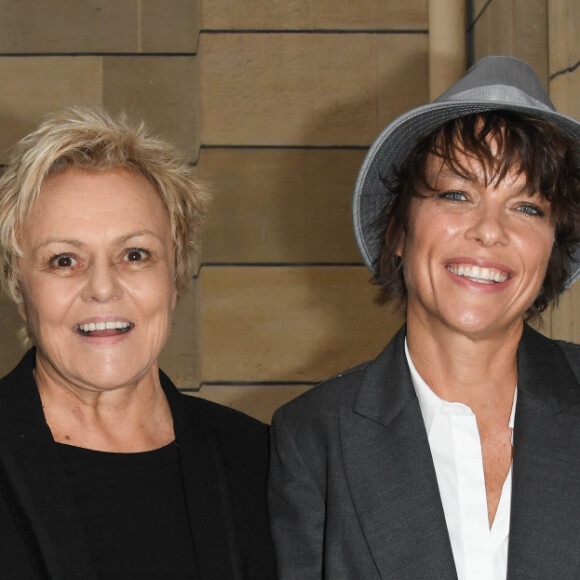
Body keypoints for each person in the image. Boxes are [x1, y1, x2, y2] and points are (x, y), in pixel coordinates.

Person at [268, 55, 580, 579]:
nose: (489, 230)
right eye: (456, 194)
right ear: (397, 230)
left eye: (527, 207)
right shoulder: (313, 437)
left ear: (552, 246)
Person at [0, 107, 277, 579]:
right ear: (19, 287)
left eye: (135, 254)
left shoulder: (262, 462)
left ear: (177, 275)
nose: (102, 288)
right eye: (64, 260)